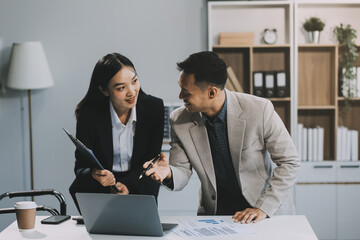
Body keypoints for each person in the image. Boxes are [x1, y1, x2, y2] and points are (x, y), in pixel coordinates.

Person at [144, 51, 300, 224]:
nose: (181, 97)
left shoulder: (259, 110)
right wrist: (168, 173)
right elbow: (181, 169)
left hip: (263, 212)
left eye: (186, 92)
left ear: (211, 93)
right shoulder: (179, 119)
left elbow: (289, 162)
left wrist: (263, 207)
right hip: (217, 215)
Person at [69, 53, 164, 212]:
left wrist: (127, 184)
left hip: (139, 184)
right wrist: (94, 174)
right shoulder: (89, 115)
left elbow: (151, 160)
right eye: (121, 87)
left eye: (134, 81)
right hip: (100, 190)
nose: (132, 92)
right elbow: (80, 167)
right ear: (104, 90)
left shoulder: (154, 108)